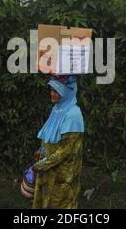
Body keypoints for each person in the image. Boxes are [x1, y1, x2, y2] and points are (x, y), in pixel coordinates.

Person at [32, 75, 85, 209]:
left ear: (67, 93)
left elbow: (66, 149)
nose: (52, 94)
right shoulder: (57, 108)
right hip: (48, 166)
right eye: (52, 89)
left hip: (62, 172)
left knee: (60, 202)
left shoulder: (73, 115)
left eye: (57, 91)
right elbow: (49, 136)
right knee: (46, 199)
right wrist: (41, 151)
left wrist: (43, 164)